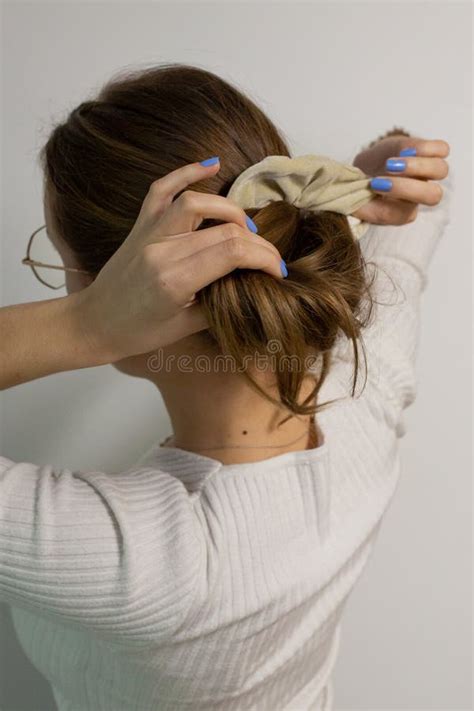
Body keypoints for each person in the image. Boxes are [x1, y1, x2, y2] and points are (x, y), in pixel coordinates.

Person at [0, 64, 451, 710]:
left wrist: (84, 325)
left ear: (127, 290)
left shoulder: (135, 555)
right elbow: (425, 202)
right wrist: (376, 166)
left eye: (66, 267)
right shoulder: (365, 395)